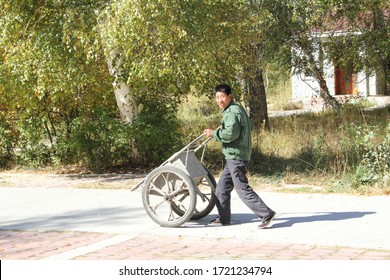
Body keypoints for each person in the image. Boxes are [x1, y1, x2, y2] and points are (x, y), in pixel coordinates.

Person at [204, 84, 275, 229]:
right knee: (221, 189)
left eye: (222, 97)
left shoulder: (231, 112)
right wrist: (220, 129)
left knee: (242, 189)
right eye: (217, 97)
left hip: (236, 156)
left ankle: (266, 214)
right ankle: (223, 218)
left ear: (230, 96)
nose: (220, 100)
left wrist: (214, 134)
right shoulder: (236, 108)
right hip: (235, 155)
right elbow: (237, 127)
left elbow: (230, 134)